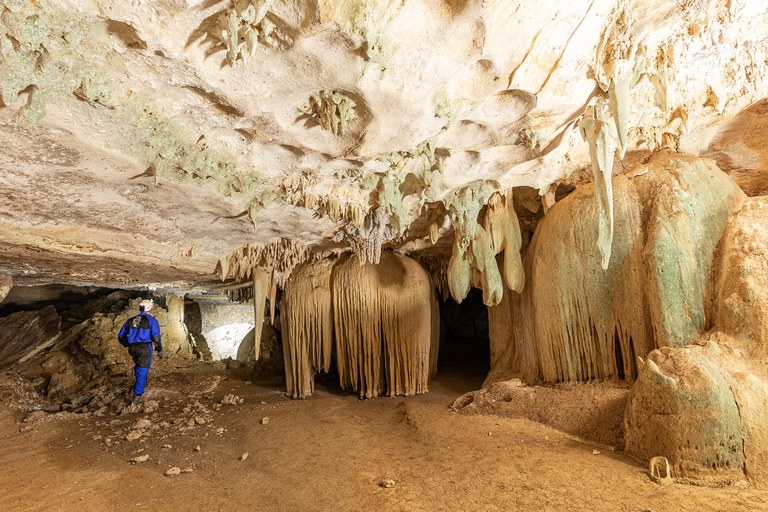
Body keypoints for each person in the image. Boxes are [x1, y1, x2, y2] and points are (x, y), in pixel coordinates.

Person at [118, 298, 163, 404]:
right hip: (145, 348)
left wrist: (127, 344)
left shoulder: (130, 320)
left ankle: (140, 383)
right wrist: (159, 349)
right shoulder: (152, 320)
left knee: (139, 366)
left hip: (133, 349)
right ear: (149, 307)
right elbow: (156, 337)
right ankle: (137, 394)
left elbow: (120, 336)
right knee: (142, 369)